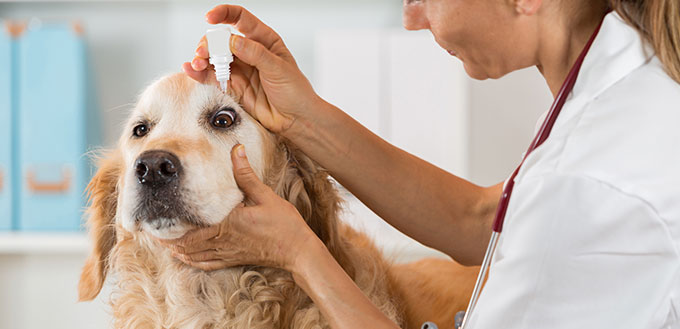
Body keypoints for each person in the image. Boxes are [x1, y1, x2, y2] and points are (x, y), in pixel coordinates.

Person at [158, 0, 680, 328]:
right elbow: (483, 220)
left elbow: (544, 214)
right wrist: (304, 119)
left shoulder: (589, 183)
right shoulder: (633, 94)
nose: (412, 20)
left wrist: (298, 252)